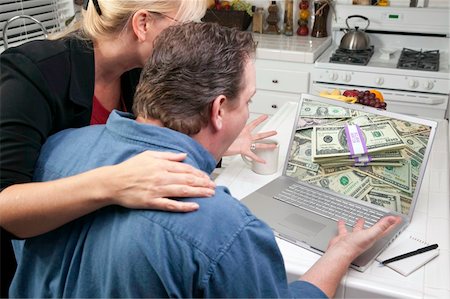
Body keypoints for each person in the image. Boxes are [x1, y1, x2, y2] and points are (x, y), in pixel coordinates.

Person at [10, 22, 401, 298]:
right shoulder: (225, 229)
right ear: (218, 110)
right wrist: (340, 252)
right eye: (247, 101)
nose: (247, 110)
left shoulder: (56, 150)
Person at [0, 0, 275, 294]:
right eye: (184, 26)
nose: (191, 37)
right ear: (142, 23)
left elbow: (151, 134)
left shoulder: (138, 71)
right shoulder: (31, 75)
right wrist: (114, 182)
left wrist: (219, 140)